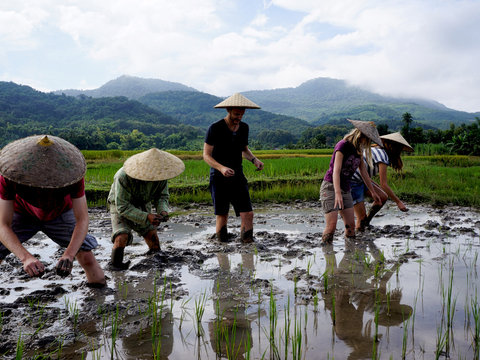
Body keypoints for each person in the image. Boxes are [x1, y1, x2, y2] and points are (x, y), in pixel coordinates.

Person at [0, 135, 106, 287]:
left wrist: (69, 255)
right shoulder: (9, 177)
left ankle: (99, 297)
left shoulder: (73, 176)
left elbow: (82, 219)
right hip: (22, 213)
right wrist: (26, 258)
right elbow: (3, 225)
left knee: (86, 256)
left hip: (59, 213)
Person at [108, 148, 185, 270]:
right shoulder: (123, 176)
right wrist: (146, 216)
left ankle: (156, 265)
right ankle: (115, 267)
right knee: (121, 236)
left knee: (152, 236)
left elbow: (162, 196)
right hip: (120, 204)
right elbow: (122, 206)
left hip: (143, 203)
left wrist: (163, 211)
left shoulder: (161, 177)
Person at [203, 93, 264, 243]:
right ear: (228, 110)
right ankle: (221, 247)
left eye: (242, 114)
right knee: (222, 214)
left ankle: (247, 244)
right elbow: (206, 155)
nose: (239, 117)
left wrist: (254, 160)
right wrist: (221, 168)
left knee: (248, 213)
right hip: (219, 177)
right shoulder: (215, 128)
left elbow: (244, 150)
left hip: (237, 175)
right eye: (236, 114)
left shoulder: (244, 128)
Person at [319, 119, 383, 244]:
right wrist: (337, 193)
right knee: (331, 226)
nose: (368, 143)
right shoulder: (343, 145)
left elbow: (364, 173)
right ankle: (327, 256)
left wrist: (373, 191)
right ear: (361, 136)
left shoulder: (358, 150)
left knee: (351, 227)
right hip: (331, 187)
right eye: (368, 140)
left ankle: (350, 257)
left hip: (346, 189)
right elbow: (336, 171)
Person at [351, 132, 414, 231]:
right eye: (400, 149)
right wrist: (398, 202)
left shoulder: (374, 150)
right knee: (361, 218)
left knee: (383, 196)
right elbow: (384, 184)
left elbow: (366, 175)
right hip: (353, 182)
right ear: (394, 147)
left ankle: (366, 223)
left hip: (362, 180)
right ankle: (359, 235)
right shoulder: (382, 156)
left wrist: (375, 189)